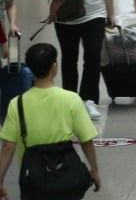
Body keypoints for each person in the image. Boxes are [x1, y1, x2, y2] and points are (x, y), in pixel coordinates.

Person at [0, 42, 101, 198]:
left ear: (30, 69)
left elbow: (8, 147)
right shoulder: (71, 100)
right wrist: (94, 170)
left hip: (33, 180)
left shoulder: (17, 103)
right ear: (54, 66)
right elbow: (86, 140)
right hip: (67, 178)